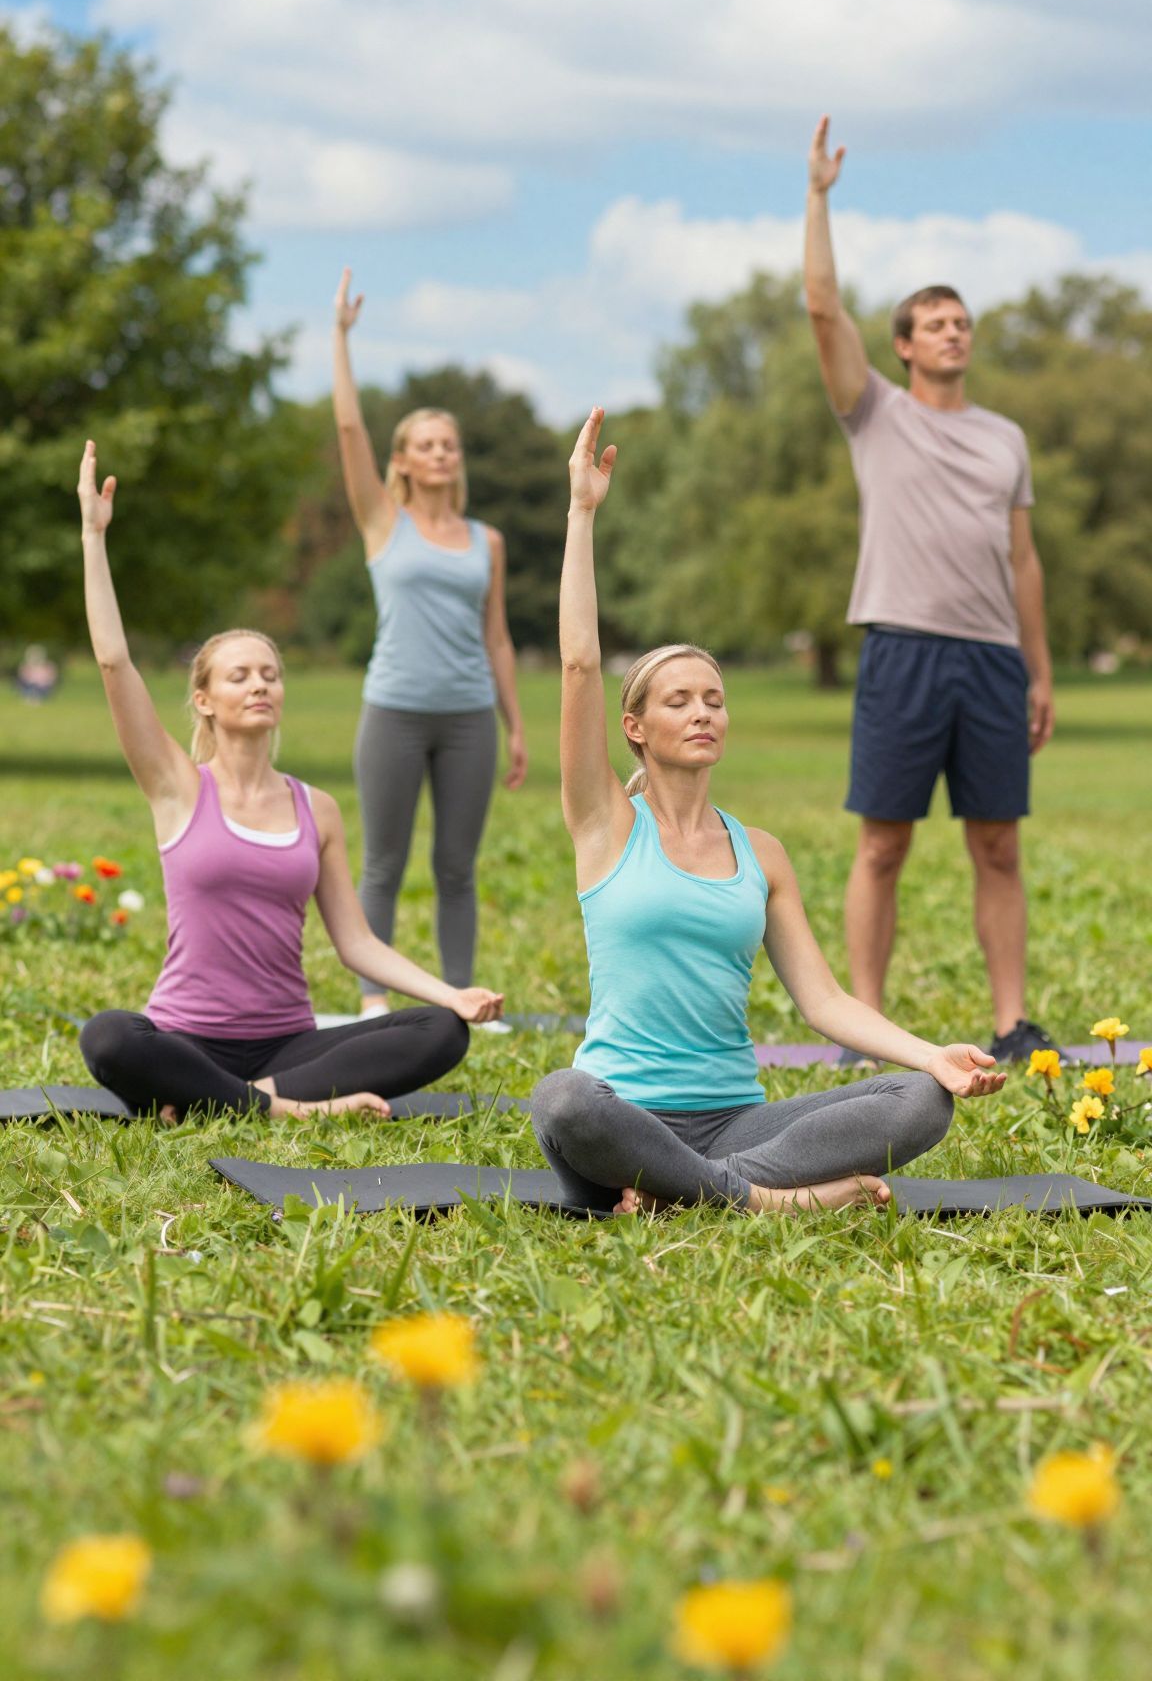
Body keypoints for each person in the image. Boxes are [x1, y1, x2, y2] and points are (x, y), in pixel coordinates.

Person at [529, 410, 1005, 1217]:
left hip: (738, 1121)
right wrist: (582, 513)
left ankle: (698, 1191)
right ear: (636, 729)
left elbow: (824, 1004)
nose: (703, 712)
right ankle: (769, 1202)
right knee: (563, 1100)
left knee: (920, 1100)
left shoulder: (763, 853)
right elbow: (579, 665)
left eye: (714, 698)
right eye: (679, 701)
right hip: (625, 1114)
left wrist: (936, 1055)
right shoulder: (606, 825)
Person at [76, 441, 503, 1122]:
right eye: (239, 675)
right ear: (206, 699)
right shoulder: (178, 787)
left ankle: (244, 1102)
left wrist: (446, 993)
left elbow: (355, 943)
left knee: (439, 1032)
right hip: (186, 1038)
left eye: (269, 674)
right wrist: (94, 539)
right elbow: (112, 662)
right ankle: (285, 1110)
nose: (259, 685)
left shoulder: (317, 808)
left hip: (288, 1046)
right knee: (108, 1037)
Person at [804, 118, 1058, 1067]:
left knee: (998, 847)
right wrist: (820, 194)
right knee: (883, 848)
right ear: (904, 346)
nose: (954, 332)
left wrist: (1037, 670)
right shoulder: (876, 414)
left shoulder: (1006, 438)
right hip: (903, 649)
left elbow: (1022, 560)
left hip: (993, 661)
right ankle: (864, 1027)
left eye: (963, 323)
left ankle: (1012, 1020)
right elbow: (823, 306)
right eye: (936, 323)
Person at [332, 268, 526, 1015]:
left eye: (449, 443)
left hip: (469, 716)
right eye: (425, 443)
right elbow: (349, 430)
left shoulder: (488, 540)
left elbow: (499, 638)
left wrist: (514, 726)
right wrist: (341, 341)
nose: (441, 452)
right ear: (403, 459)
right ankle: (373, 1001)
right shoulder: (384, 521)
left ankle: (459, 996)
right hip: (395, 710)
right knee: (381, 862)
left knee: (457, 867)